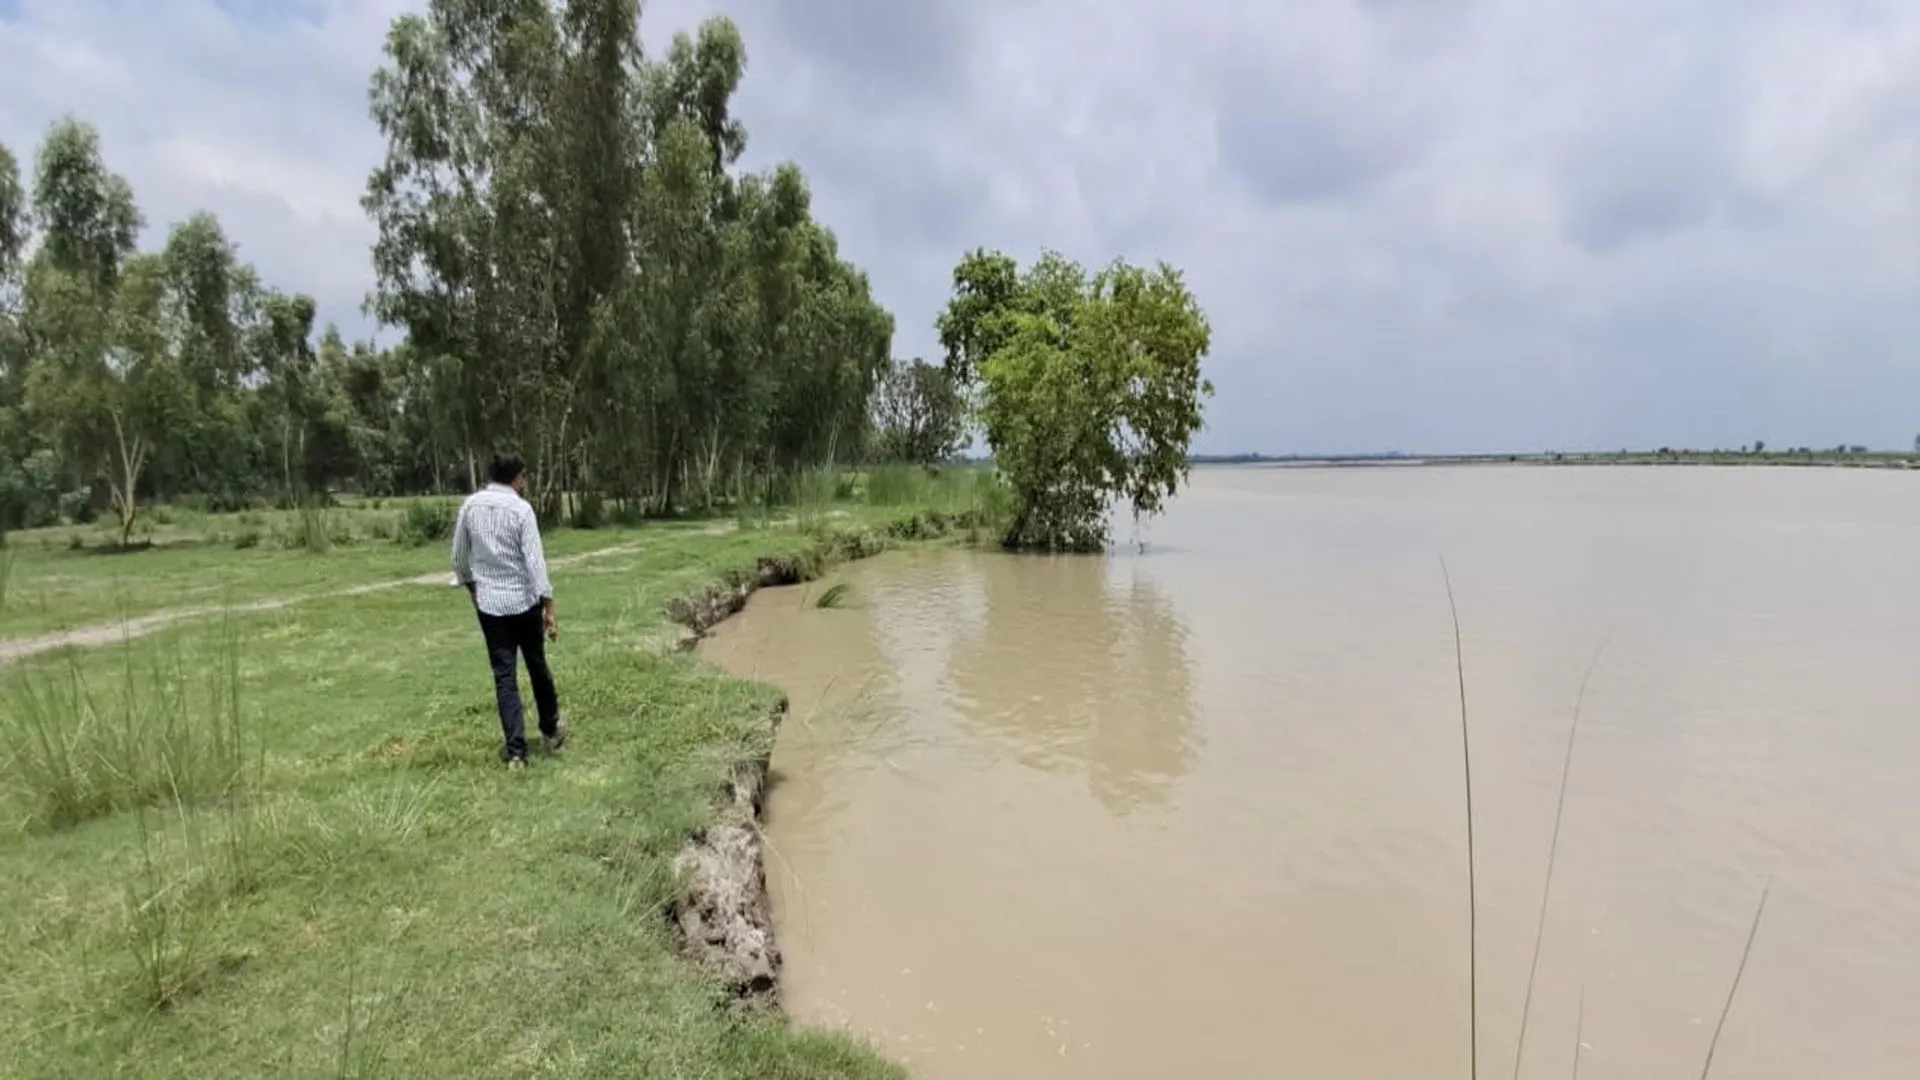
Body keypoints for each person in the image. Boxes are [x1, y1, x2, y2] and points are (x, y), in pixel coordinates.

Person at [451, 452, 566, 770]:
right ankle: (550, 728)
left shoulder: (470, 506)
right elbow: (535, 562)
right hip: (524, 602)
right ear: (516, 478)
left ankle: (516, 752)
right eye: (523, 476)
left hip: (490, 605)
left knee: (504, 677)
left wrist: (473, 588)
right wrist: (548, 605)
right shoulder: (521, 509)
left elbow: (459, 558)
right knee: (537, 665)